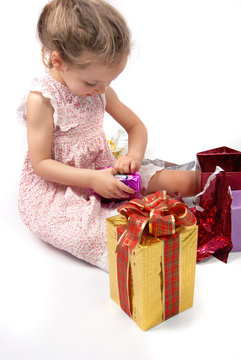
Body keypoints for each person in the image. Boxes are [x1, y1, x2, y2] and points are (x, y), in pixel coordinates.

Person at [18, 0, 200, 272]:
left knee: (184, 181)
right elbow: (40, 164)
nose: (101, 89)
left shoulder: (100, 90)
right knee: (92, 232)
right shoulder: (42, 100)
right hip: (61, 187)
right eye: (92, 82)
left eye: (109, 82)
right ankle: (140, 235)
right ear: (58, 60)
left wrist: (133, 157)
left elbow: (136, 127)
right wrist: (92, 179)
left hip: (103, 170)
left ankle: (219, 190)